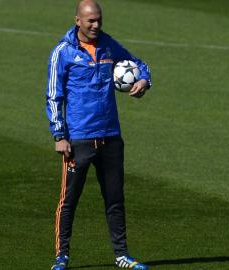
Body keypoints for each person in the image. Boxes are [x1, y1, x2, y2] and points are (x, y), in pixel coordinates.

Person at [45, 0, 151, 269]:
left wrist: (142, 80)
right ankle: (61, 256)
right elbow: (53, 95)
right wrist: (59, 135)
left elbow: (138, 63)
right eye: (91, 21)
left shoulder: (108, 45)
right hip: (78, 139)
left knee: (115, 199)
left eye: (99, 20)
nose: (96, 25)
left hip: (111, 136)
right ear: (77, 20)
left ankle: (122, 254)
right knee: (69, 201)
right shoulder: (63, 52)